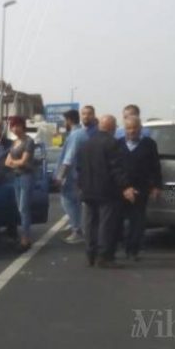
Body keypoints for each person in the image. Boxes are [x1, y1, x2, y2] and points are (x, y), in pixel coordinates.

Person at [77, 115, 136, 268]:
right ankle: (104, 257)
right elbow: (116, 168)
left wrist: (81, 186)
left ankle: (90, 253)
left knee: (90, 223)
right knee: (106, 224)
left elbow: (79, 168)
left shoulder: (86, 144)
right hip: (106, 191)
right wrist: (126, 186)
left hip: (88, 190)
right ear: (112, 127)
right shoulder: (112, 143)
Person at [117, 116, 162, 261]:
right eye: (128, 128)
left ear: (140, 128)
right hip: (120, 188)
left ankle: (133, 250)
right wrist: (124, 187)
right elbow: (114, 168)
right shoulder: (117, 144)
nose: (131, 131)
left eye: (134, 128)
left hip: (141, 188)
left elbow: (155, 166)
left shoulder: (149, 144)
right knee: (117, 221)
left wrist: (156, 186)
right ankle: (117, 247)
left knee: (137, 222)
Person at [54, 106, 98, 244]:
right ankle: (84, 230)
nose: (86, 116)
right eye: (83, 114)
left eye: (89, 114)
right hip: (88, 177)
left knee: (71, 201)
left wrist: (60, 177)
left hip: (76, 177)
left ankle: (78, 229)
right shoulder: (92, 133)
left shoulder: (78, 135)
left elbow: (68, 159)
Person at [5, 116, 36, 251]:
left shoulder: (29, 141)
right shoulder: (14, 143)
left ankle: (25, 239)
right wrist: (15, 163)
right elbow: (7, 162)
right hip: (16, 177)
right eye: (12, 126)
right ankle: (26, 237)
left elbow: (24, 161)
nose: (14, 128)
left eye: (17, 125)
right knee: (20, 209)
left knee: (24, 208)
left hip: (26, 177)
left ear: (23, 126)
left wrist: (14, 163)